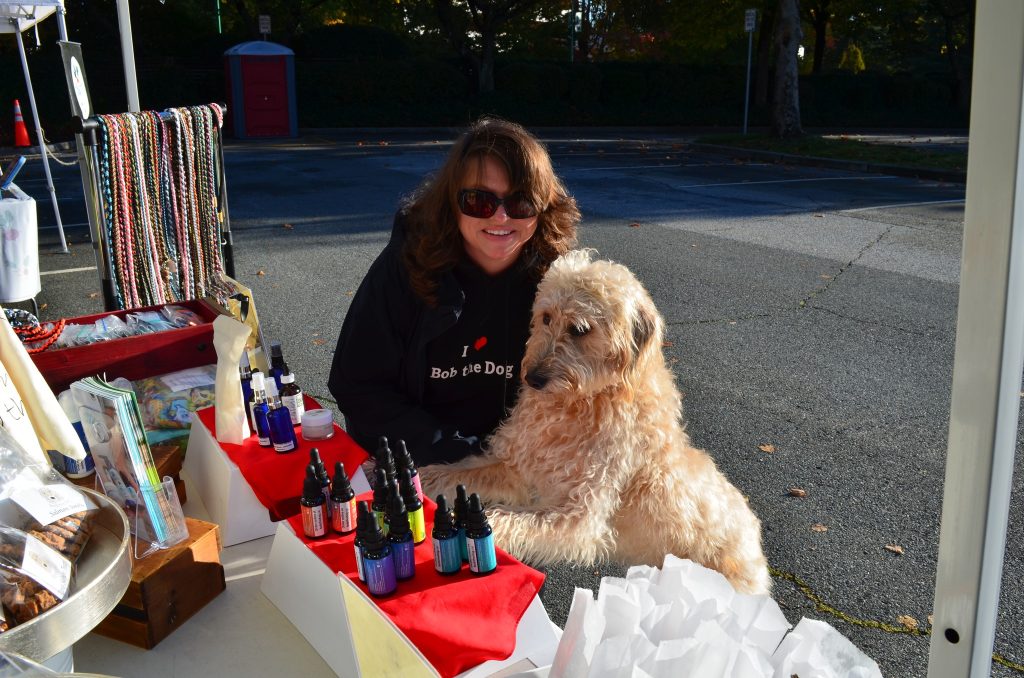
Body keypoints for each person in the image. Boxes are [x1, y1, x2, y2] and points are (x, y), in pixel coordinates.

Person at [328, 118, 580, 466]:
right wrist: (459, 454)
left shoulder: (561, 281)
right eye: (479, 201)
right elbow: (358, 384)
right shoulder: (406, 265)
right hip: (420, 461)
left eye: (521, 202)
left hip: (519, 463)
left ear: (543, 208)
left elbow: (596, 385)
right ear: (451, 202)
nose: (501, 217)